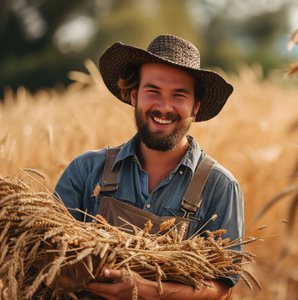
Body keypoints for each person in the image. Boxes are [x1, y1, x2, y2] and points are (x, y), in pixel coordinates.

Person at [54, 34, 244, 299]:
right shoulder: (85, 171)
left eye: (179, 95)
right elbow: (46, 256)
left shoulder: (220, 187)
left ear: (196, 107)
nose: (164, 107)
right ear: (134, 97)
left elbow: (221, 287)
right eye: (153, 91)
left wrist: (149, 291)